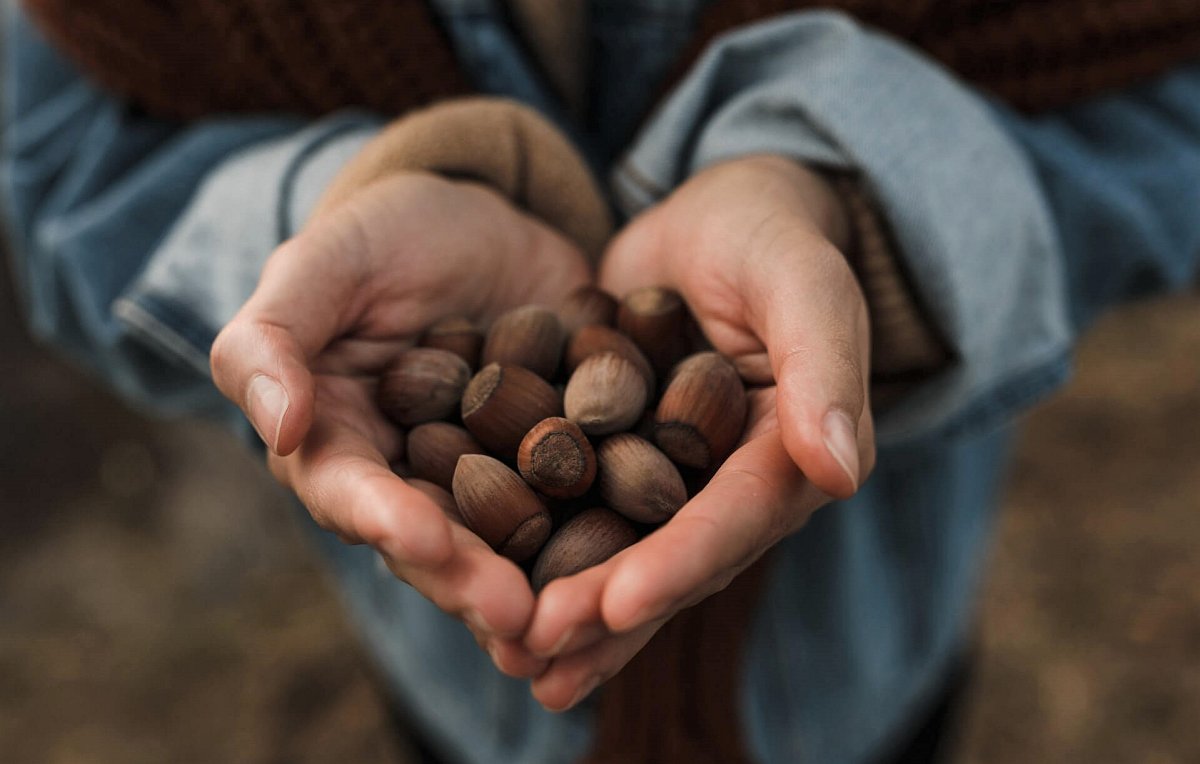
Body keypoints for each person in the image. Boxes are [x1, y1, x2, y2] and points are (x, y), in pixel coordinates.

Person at [4, 1, 1199, 761]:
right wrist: (320, 219)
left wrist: (864, 226)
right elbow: (58, 163)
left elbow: (1169, 116)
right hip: (465, 688)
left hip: (866, 666)